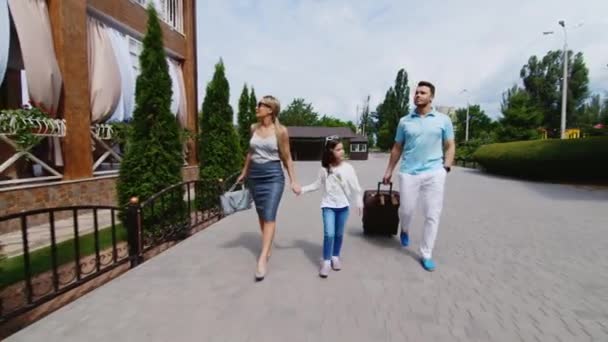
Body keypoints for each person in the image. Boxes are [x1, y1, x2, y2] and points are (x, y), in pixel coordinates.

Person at [382, 81, 455, 272]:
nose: (418, 95)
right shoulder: (405, 121)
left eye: (422, 92)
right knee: (406, 210)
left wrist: (446, 167)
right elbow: (397, 147)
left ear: (431, 97)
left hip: (434, 172)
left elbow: (450, 144)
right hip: (409, 172)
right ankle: (404, 229)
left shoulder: (443, 120)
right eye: (416, 92)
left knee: (432, 214)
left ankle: (426, 253)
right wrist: (389, 170)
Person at [236, 95, 301, 281]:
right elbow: (251, 152)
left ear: (271, 110)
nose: (257, 108)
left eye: (260, 105)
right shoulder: (253, 128)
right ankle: (268, 246)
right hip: (255, 175)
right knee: (261, 213)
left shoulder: (281, 131)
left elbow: (287, 158)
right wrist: (244, 172)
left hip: (273, 176)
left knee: (270, 214)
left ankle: (262, 258)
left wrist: (294, 181)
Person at [299, 137, 363, 278]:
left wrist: (359, 201)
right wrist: (302, 190)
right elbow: (316, 184)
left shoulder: (348, 168)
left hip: (343, 206)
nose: (342, 151)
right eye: (338, 149)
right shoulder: (324, 169)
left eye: (342, 148)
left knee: (339, 234)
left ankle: (335, 257)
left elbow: (356, 187)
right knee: (329, 234)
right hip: (328, 205)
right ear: (330, 151)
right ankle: (326, 261)